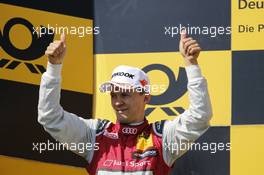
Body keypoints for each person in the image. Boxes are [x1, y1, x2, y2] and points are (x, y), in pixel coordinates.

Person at [38, 31, 212, 175]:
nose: (118, 102)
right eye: (113, 95)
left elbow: (199, 116)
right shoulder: (95, 135)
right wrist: (54, 67)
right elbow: (50, 118)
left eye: (125, 94)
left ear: (146, 98)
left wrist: (191, 64)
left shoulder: (162, 137)